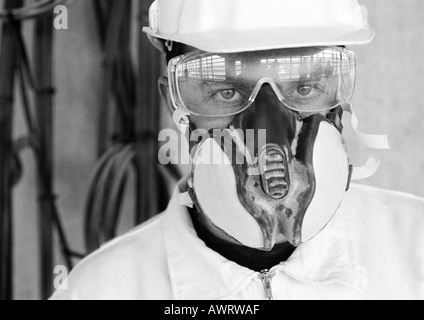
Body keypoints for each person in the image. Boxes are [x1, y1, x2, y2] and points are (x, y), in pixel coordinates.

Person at [51, 0, 424, 300]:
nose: (268, 131)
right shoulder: (100, 290)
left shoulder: (415, 250)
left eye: (305, 88)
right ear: (173, 103)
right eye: (226, 92)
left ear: (339, 105)